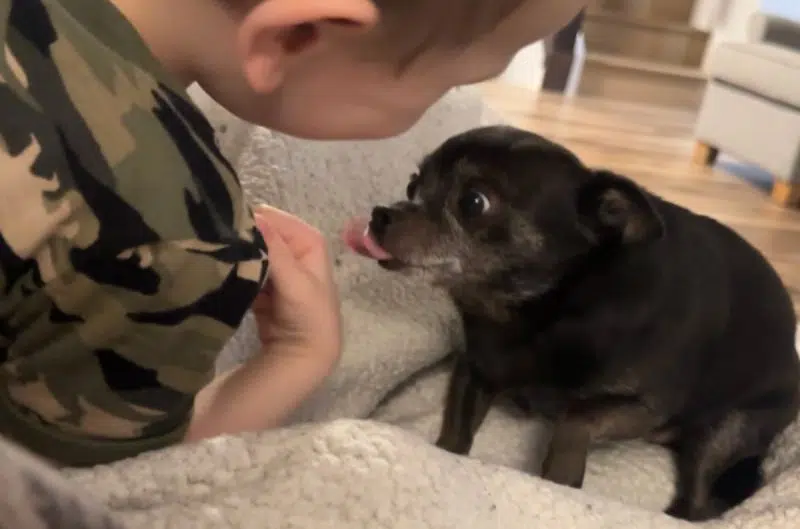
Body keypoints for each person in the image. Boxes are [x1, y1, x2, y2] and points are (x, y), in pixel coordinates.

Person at [0, 0, 588, 467]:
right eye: (450, 84)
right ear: (296, 35)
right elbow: (107, 481)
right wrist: (298, 355)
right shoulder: (171, 239)